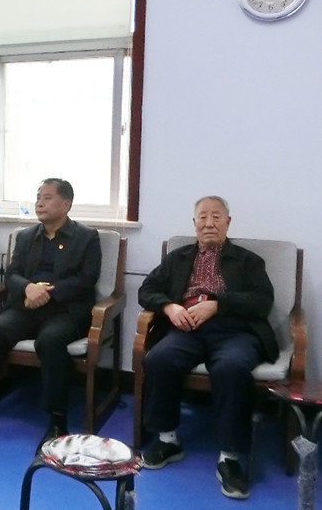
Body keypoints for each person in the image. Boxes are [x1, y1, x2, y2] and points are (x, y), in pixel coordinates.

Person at [138, 196, 275, 500]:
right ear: (194, 223)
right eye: (202, 217)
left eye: (216, 216)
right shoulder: (178, 258)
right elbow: (146, 290)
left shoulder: (249, 261)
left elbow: (262, 301)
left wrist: (218, 305)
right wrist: (170, 307)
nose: (209, 223)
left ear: (228, 222)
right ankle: (168, 440)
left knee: (231, 367)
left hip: (234, 332)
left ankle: (230, 457)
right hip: (187, 329)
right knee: (159, 358)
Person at [0, 178, 101, 448]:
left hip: (65, 309)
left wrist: (46, 293)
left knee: (50, 341)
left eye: (47, 198)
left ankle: (57, 421)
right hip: (27, 306)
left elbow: (87, 279)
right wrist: (28, 289)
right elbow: (12, 274)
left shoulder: (87, 237)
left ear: (66, 204)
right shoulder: (26, 236)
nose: (39, 203)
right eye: (38, 197)